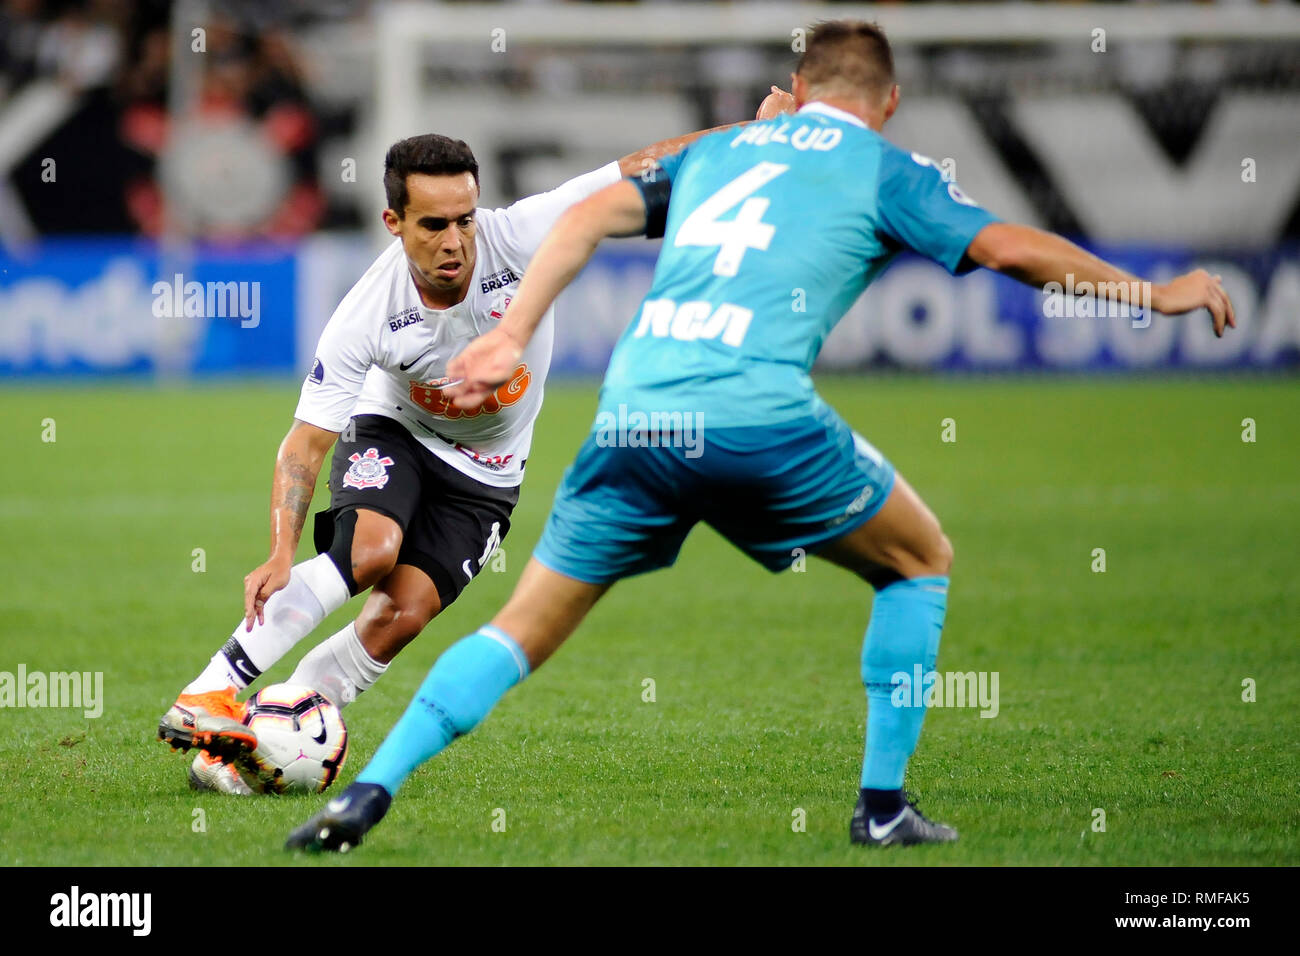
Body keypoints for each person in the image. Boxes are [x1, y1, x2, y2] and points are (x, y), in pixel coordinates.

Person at [285, 19, 1234, 848]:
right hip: (757, 413)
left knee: (520, 630)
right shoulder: (881, 167)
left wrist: (512, 332)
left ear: (801, 93)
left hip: (637, 410)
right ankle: (883, 807)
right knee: (919, 560)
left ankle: (369, 795)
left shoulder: (721, 152)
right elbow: (1008, 250)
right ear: (888, 102)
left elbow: (582, 219)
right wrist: (1150, 293)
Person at [156, 116, 753, 795]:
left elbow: (642, 163)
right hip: (396, 429)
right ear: (393, 221)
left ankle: (257, 746)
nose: (455, 241)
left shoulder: (522, 233)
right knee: (370, 553)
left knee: (400, 614)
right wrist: (280, 548)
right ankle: (212, 690)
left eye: (464, 219)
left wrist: (756, 138)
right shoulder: (366, 313)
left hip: (489, 470)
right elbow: (307, 442)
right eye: (433, 225)